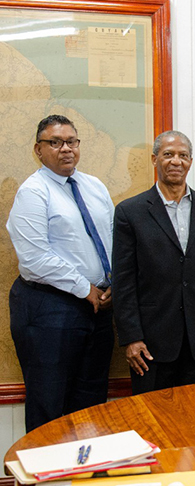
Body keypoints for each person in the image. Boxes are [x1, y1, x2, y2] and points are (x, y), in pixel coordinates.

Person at [7, 114, 114, 432]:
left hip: (98, 308)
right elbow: (34, 257)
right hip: (49, 309)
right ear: (38, 150)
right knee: (50, 403)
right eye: (55, 142)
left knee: (92, 402)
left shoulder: (94, 186)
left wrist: (113, 284)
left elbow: (112, 239)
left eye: (71, 141)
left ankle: (86, 477)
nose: (65, 148)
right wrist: (85, 288)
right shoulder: (33, 192)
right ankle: (47, 480)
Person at [113, 131, 195, 394]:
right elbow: (124, 281)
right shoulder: (130, 212)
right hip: (150, 344)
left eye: (183, 155)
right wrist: (131, 337)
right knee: (152, 423)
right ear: (154, 160)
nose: (176, 161)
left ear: (190, 161)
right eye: (168, 154)